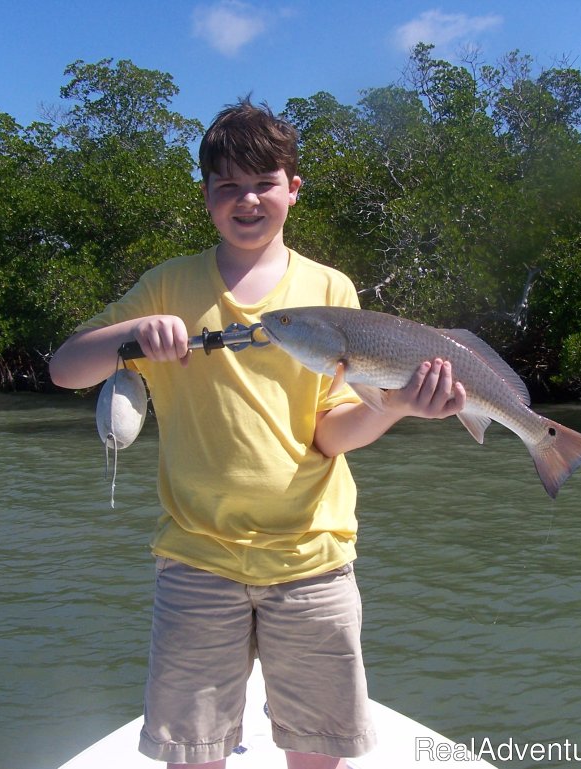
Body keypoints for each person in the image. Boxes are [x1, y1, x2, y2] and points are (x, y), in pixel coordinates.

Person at [49, 98, 466, 769]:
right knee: (194, 752)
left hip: (312, 559)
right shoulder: (167, 286)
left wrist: (396, 407)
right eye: (228, 187)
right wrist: (132, 335)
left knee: (316, 750)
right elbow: (65, 369)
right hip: (196, 559)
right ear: (206, 196)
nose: (248, 200)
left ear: (294, 189)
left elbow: (330, 434)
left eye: (264, 183)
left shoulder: (331, 289)